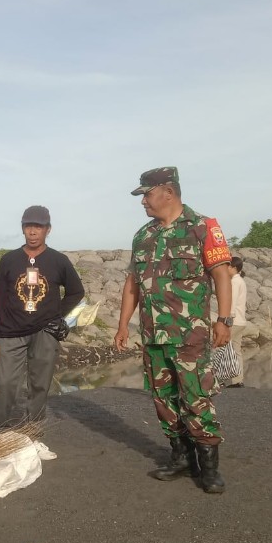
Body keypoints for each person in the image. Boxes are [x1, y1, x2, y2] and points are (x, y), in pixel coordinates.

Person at [114, 166, 233, 494]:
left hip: (190, 336)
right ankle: (181, 457)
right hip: (154, 336)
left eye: (147, 195)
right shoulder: (143, 236)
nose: (143, 202)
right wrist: (123, 324)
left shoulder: (202, 227)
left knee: (196, 397)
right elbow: (131, 285)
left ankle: (208, 466)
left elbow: (221, 275)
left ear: (168, 191)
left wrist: (224, 319)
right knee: (163, 399)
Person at [0, 205, 85, 428]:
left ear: (48, 229)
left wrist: (56, 314)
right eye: (28, 226)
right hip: (11, 332)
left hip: (45, 333)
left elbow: (77, 291)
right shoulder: (9, 260)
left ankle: (34, 433)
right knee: (4, 382)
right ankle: (0, 431)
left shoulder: (58, 260)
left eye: (38, 227)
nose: (32, 232)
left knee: (39, 385)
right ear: (22, 229)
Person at [212, 256, 248, 387]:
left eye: (228, 266)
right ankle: (238, 380)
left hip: (233, 320)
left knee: (220, 348)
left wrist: (226, 320)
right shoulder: (241, 281)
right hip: (241, 321)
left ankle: (218, 379)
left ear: (234, 268)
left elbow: (231, 302)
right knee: (236, 350)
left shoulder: (234, 282)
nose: (225, 269)